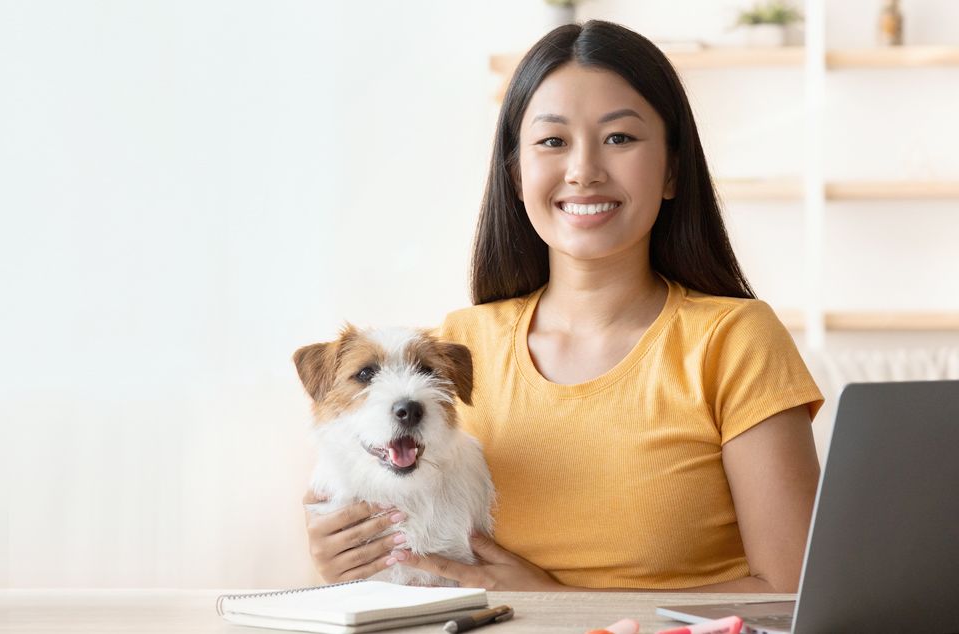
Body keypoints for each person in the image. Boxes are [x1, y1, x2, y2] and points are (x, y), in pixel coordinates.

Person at [302, 20, 823, 593]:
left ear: (673, 169)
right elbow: (415, 558)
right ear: (516, 172)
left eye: (620, 138)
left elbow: (792, 592)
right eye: (552, 141)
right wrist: (348, 556)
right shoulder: (456, 348)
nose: (583, 170)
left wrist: (563, 608)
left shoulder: (735, 341)